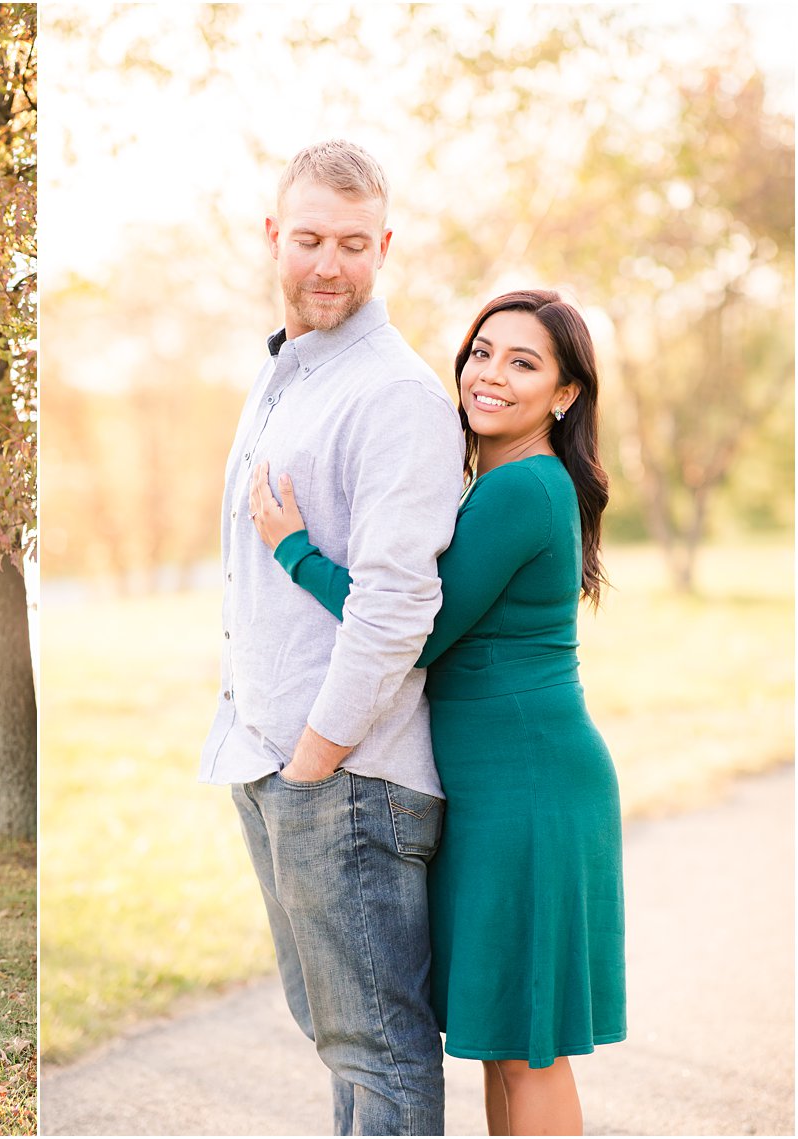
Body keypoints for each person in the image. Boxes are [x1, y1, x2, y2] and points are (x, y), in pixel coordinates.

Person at [250, 289, 627, 1135]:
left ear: (565, 395)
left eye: (523, 362)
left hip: (527, 786)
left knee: (530, 1048)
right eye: (482, 351)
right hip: (501, 785)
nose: (489, 374)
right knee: (504, 1038)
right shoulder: (500, 484)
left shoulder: (523, 489)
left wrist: (294, 550)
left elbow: (412, 632)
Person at [199, 139, 463, 1135]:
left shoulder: (390, 395)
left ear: (382, 247)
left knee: (375, 1045)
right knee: (333, 1034)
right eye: (308, 238)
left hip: (344, 774)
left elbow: (397, 603)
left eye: (351, 244)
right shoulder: (288, 377)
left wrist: (314, 757)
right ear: (273, 236)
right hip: (276, 763)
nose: (327, 263)